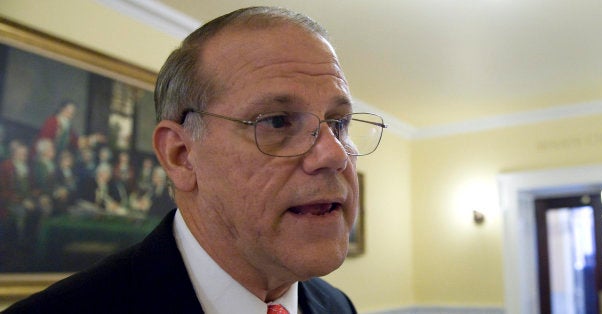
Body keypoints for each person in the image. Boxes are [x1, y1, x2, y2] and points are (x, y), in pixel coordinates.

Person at [4, 6, 387, 313]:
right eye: (277, 121)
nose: (335, 155)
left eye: (339, 123)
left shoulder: (337, 306)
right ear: (181, 156)